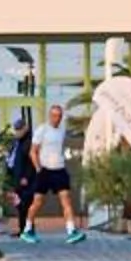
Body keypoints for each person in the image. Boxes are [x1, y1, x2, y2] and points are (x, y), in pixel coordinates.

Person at [26, 102, 85, 243]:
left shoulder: (62, 131)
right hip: (45, 170)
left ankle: (71, 230)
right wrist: (38, 168)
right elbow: (32, 152)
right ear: (49, 115)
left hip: (59, 169)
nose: (56, 118)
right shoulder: (42, 130)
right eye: (53, 115)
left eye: (59, 116)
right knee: (37, 202)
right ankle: (28, 228)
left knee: (66, 200)